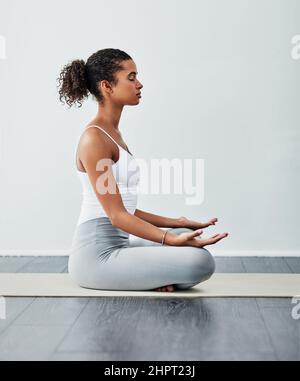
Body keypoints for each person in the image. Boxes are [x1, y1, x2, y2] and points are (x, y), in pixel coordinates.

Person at [57, 48, 229, 292]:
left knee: (183, 234)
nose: (139, 84)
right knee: (200, 261)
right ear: (107, 86)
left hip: (121, 246)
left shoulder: (113, 135)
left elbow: (126, 208)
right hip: (96, 259)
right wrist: (168, 238)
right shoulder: (94, 139)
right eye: (131, 77)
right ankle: (148, 275)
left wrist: (178, 222)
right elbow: (116, 215)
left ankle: (147, 275)